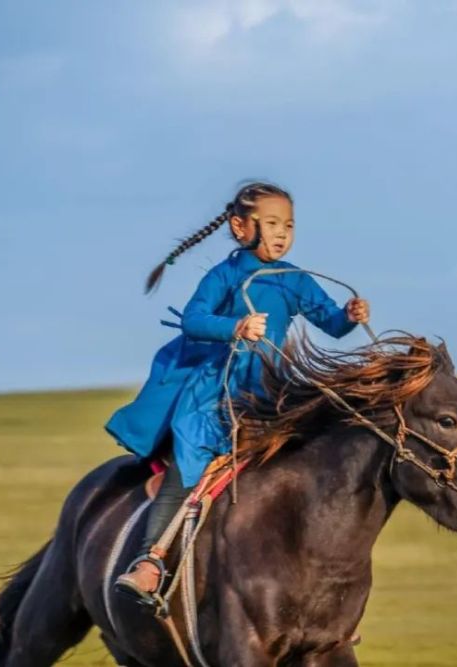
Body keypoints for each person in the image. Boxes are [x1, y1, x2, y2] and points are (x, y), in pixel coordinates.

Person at [108, 181, 370, 603]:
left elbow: (332, 325)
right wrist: (235, 327)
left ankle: (318, 588)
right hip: (214, 394)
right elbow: (193, 320)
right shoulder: (225, 275)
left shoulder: (295, 280)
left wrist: (350, 316)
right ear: (238, 226)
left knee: (315, 467)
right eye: (270, 223)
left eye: (288, 224)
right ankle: (151, 560)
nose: (282, 232)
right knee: (188, 467)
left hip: (272, 392)